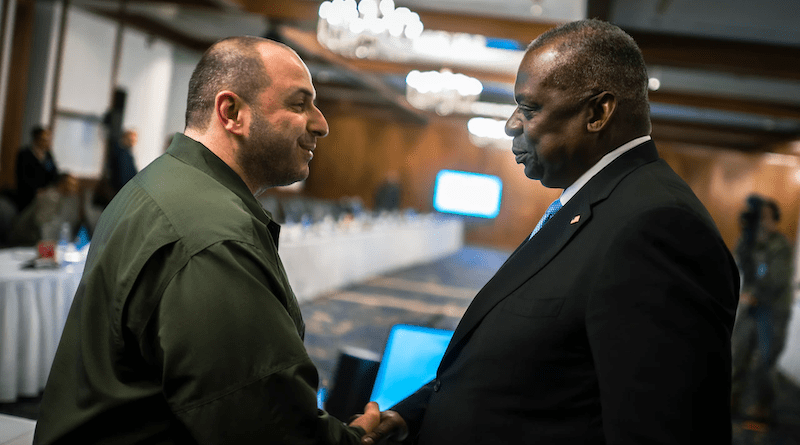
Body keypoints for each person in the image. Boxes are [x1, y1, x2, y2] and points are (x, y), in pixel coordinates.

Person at [363, 19, 739, 445]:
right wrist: (416, 415)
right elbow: (538, 368)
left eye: (529, 109)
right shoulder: (594, 202)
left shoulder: (657, 228)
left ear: (597, 112)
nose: (510, 125)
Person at [34, 36, 380, 444]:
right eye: (299, 104)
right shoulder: (212, 236)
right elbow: (266, 427)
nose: (321, 123)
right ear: (231, 112)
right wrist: (358, 439)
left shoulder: (164, 182)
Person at [731, 195, 793, 421]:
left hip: (773, 311)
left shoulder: (781, 246)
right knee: (738, 353)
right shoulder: (746, 242)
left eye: (765, 217)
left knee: (765, 363)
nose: (761, 222)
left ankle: (763, 410)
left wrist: (753, 295)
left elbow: (776, 280)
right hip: (750, 308)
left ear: (774, 220)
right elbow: (740, 269)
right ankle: (732, 401)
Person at [15, 126, 61, 212]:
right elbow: (22, 177)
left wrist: (48, 189)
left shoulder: (48, 156)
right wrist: (36, 190)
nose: (47, 142)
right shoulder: (24, 154)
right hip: (27, 195)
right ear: (36, 139)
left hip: (45, 195)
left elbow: (53, 173)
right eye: (44, 139)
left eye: (48, 140)